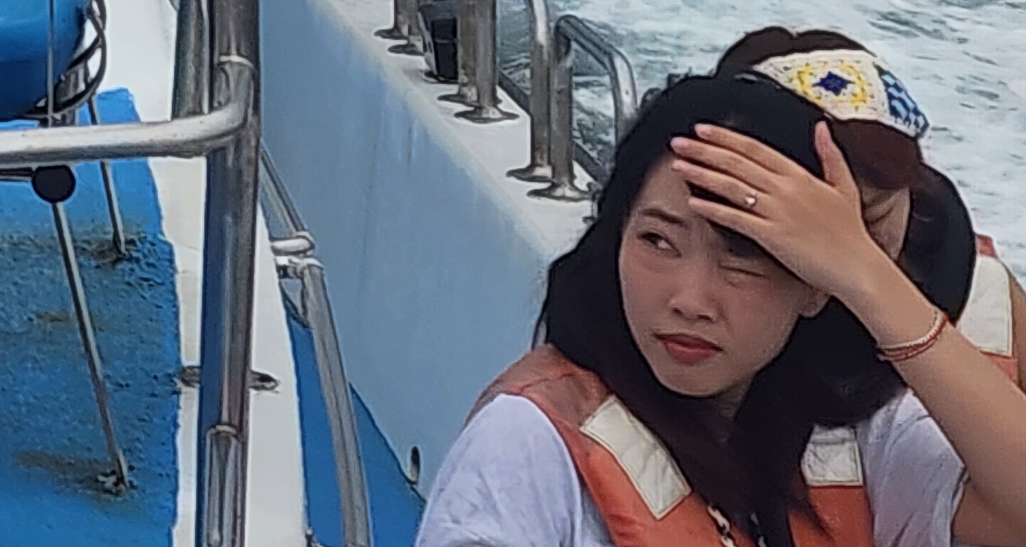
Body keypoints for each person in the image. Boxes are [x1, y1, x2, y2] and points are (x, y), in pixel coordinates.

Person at [410, 70, 1026, 547]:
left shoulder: (852, 439)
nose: (689, 300)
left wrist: (864, 275)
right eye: (657, 240)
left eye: (742, 259)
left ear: (813, 282)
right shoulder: (531, 443)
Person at [716, 30, 1024, 384]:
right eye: (813, 217)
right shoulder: (680, 308)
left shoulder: (984, 289)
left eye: (871, 216)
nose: (846, 241)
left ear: (911, 191)